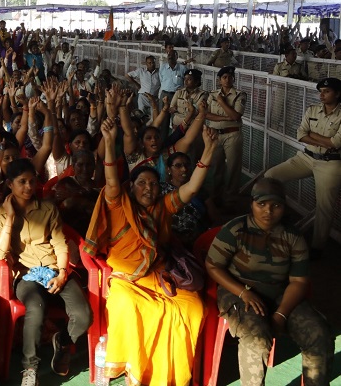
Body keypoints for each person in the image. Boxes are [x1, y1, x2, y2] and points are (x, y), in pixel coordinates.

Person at [84, 117, 216, 386]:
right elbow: (111, 180)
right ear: (130, 188)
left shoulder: (163, 206)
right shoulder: (119, 204)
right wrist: (109, 142)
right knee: (127, 306)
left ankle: (169, 377)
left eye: (153, 184)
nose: (148, 188)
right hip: (126, 280)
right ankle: (137, 373)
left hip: (158, 277)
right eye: (141, 183)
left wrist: (209, 151)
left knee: (193, 308)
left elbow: (190, 189)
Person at [205, 178, 332, 386]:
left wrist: (281, 315)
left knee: (320, 333)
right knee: (256, 339)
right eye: (261, 204)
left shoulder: (293, 236)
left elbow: (299, 281)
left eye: (276, 206)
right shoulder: (236, 229)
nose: (268, 212)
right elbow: (212, 266)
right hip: (238, 291)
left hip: (282, 293)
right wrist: (243, 292)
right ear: (251, 204)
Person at [0, 157, 92, 384]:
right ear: (10, 185)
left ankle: (63, 342)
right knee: (35, 308)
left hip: (55, 269)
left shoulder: (47, 208)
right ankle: (30, 370)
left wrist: (63, 273)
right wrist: (9, 218)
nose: (28, 187)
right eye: (22, 182)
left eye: (32, 181)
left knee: (84, 315)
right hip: (26, 273)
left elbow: (59, 244)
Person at [263, 78, 341, 258]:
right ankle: (277, 218)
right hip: (306, 157)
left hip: (331, 163)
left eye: (326, 91)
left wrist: (312, 136)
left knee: (324, 207)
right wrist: (323, 140)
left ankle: (317, 246)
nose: (321, 94)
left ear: (337, 94)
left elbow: (335, 143)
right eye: (320, 91)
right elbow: (300, 134)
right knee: (271, 176)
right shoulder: (312, 109)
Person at [205, 66, 246, 206]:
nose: (228, 80)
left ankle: (230, 198)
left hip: (232, 135)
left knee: (233, 167)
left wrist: (221, 102)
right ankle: (215, 195)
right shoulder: (212, 94)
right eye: (224, 77)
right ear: (219, 80)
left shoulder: (240, 94)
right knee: (216, 166)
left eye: (230, 77)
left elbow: (236, 116)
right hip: (215, 134)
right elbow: (206, 114)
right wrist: (227, 118)